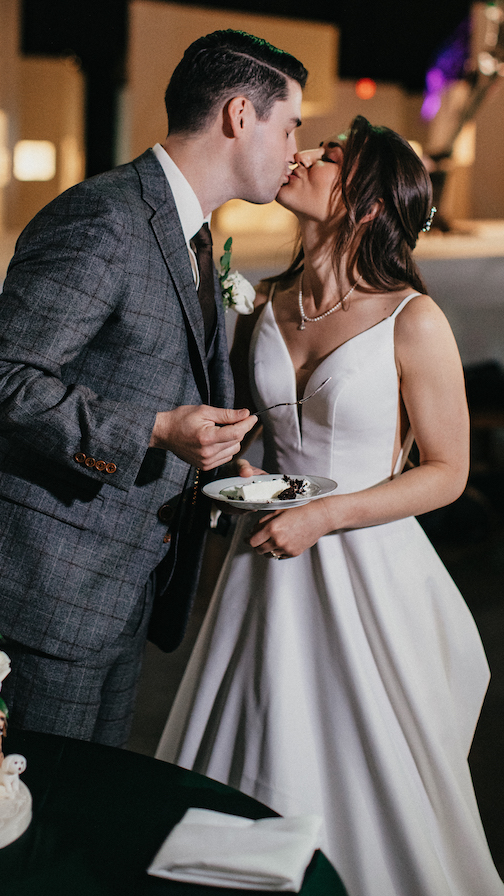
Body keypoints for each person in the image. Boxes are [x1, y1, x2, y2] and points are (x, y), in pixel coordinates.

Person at [156, 115, 504, 896]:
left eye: (329, 158)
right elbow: (268, 440)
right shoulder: (261, 302)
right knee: (259, 737)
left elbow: (447, 471)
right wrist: (239, 465)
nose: (302, 156)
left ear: (369, 204)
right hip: (267, 561)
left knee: (365, 764)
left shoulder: (414, 320)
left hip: (365, 567)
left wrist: (326, 515)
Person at [0, 30, 308, 748]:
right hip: (49, 588)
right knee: (40, 816)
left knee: (91, 810)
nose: (297, 148)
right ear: (241, 116)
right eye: (292, 124)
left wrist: (209, 460)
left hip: (126, 586)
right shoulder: (105, 217)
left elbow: (149, 377)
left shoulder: (196, 233)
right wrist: (150, 430)